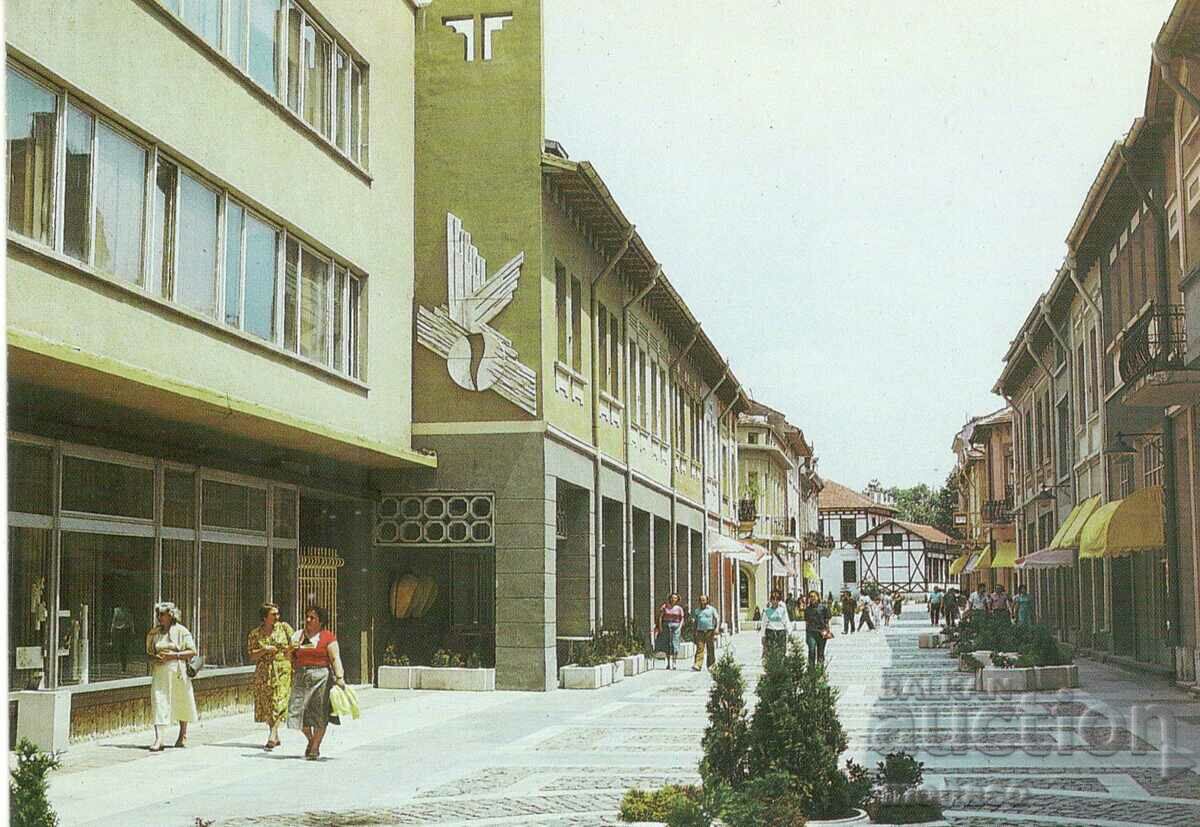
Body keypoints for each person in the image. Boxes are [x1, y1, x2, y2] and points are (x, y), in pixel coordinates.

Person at [288, 605, 347, 760]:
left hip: (321, 677)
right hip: (301, 676)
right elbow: (290, 657)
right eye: (307, 616)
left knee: (320, 713)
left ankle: (314, 747)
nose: (308, 620)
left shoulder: (328, 637)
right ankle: (311, 740)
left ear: (321, 621)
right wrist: (290, 650)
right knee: (297, 711)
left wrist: (340, 677)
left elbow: (335, 658)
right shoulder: (298, 636)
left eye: (312, 617)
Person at [146, 601, 198, 752]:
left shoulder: (181, 631)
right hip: (160, 672)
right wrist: (156, 658)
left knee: (181, 700)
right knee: (159, 701)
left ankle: (183, 734)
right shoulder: (154, 633)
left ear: (171, 615)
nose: (159, 617)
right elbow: (149, 653)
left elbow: (192, 651)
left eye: (162, 614)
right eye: (158, 614)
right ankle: (159, 738)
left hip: (178, 671)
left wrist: (174, 655)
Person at [247, 602, 295, 750]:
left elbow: (295, 645)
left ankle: (272, 735)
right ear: (264, 617)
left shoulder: (284, 628)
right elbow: (251, 655)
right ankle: (274, 733)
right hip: (264, 671)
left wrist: (288, 650)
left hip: (282, 670)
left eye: (277, 614)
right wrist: (264, 650)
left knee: (278, 701)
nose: (277, 617)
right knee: (268, 703)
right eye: (273, 614)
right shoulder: (255, 634)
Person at [655, 593, 685, 670]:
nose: (673, 599)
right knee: (668, 644)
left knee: (675, 644)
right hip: (666, 626)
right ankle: (668, 663)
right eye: (672, 598)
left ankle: (674, 662)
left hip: (676, 627)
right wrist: (660, 627)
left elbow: (682, 619)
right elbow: (660, 617)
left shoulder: (679, 608)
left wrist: (680, 627)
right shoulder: (665, 607)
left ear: (677, 599)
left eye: (675, 598)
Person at [691, 595, 720, 671]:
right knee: (700, 648)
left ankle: (711, 665)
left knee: (710, 648)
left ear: (707, 600)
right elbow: (695, 621)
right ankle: (697, 664)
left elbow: (717, 618)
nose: (702, 601)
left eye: (704, 600)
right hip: (700, 631)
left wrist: (716, 628)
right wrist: (694, 631)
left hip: (709, 631)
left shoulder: (711, 609)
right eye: (701, 600)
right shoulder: (697, 610)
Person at [803, 591, 831, 666]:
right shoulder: (807, 609)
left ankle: (820, 671)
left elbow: (827, 620)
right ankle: (811, 671)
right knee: (811, 650)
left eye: (814, 596)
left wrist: (827, 631)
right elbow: (807, 623)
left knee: (821, 653)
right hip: (811, 632)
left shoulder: (823, 608)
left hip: (822, 632)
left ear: (818, 597)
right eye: (811, 596)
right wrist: (806, 635)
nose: (812, 598)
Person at [761, 590, 790, 657]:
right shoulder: (767, 611)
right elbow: (763, 624)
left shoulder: (782, 610)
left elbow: (786, 621)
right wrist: (763, 636)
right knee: (770, 653)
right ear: (771, 600)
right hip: (770, 633)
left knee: (781, 653)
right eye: (773, 599)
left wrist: (789, 632)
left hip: (781, 632)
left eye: (777, 599)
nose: (775, 601)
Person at [111, 605, 133, 673]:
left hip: (124, 630)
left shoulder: (120, 610)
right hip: (121, 630)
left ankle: (123, 666)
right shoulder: (117, 610)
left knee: (123, 649)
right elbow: (114, 621)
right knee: (121, 649)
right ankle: (122, 665)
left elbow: (130, 620)